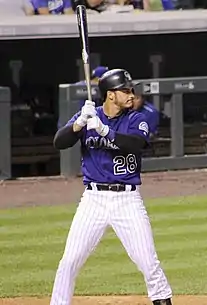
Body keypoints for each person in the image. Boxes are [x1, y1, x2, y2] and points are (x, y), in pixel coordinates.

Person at [51, 68, 173, 305]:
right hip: (93, 201)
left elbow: (136, 144)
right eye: (125, 90)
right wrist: (78, 125)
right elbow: (59, 142)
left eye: (132, 90)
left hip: (127, 201)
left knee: (148, 262)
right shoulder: (89, 115)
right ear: (110, 95)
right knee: (69, 261)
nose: (131, 95)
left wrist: (106, 131)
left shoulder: (136, 118)